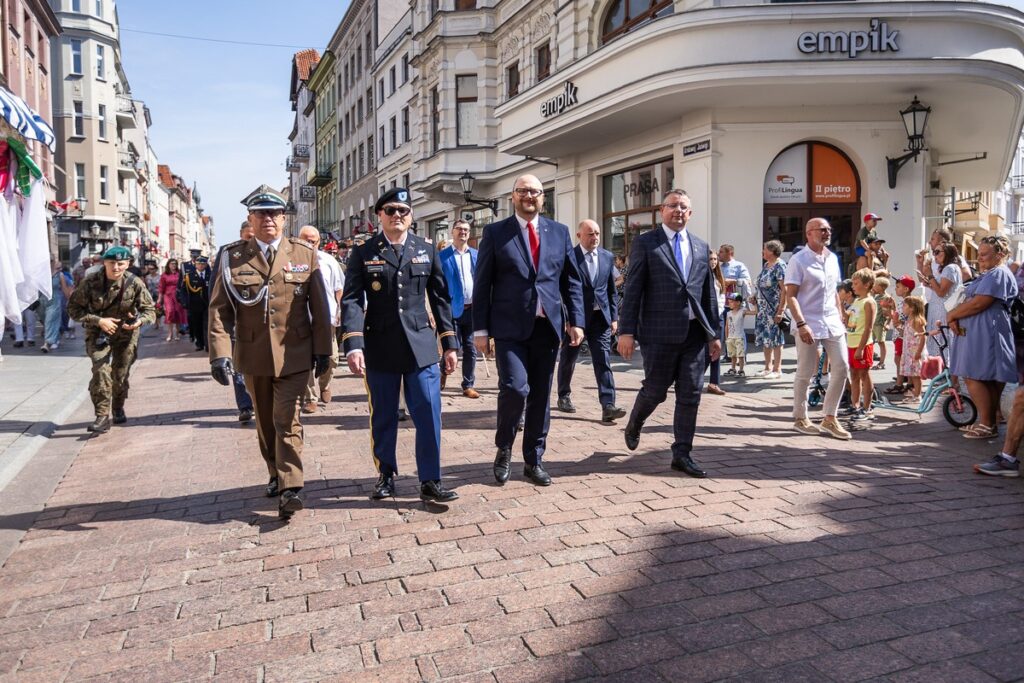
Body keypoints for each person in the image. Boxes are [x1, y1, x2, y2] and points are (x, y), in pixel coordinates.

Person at [207, 188, 333, 521]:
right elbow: (220, 310)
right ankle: (275, 472)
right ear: (250, 218)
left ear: (284, 218)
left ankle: (291, 487)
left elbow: (320, 308)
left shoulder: (303, 253)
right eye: (261, 213)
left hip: (295, 353)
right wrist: (219, 354)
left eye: (275, 214)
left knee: (286, 419)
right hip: (254, 354)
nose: (269, 219)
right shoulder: (233, 257)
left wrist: (324, 350)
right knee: (265, 423)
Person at [342, 187, 460, 503]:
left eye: (403, 211)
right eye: (391, 210)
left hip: (420, 345)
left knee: (429, 412)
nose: (397, 215)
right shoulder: (364, 251)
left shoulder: (426, 249)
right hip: (380, 344)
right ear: (379, 215)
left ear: (411, 216)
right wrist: (354, 344)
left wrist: (449, 343)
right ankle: (385, 475)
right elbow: (352, 299)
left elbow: (440, 297)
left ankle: (431, 479)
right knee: (383, 414)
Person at [473, 175, 585, 487]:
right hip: (508, 328)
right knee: (515, 388)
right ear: (513, 196)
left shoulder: (559, 232)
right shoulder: (496, 233)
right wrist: (480, 329)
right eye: (522, 191)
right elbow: (482, 283)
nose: (529, 196)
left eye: (535, 191)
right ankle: (505, 447)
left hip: (546, 328)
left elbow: (571, 281)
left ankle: (534, 459)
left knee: (540, 395)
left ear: (542, 197)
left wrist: (576, 321)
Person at [617, 189, 721, 478]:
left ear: (691, 213)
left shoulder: (700, 246)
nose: (678, 211)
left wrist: (714, 334)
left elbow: (707, 294)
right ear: (661, 210)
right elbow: (633, 289)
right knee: (656, 390)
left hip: (694, 334)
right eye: (673, 205)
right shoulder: (646, 243)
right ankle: (635, 422)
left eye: (684, 207)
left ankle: (682, 454)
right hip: (658, 333)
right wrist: (626, 331)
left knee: (691, 394)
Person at [66, 246, 156, 433]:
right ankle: (102, 416)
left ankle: (118, 407)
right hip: (98, 333)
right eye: (112, 263)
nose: (116, 267)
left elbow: (149, 310)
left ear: (128, 264)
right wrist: (99, 321)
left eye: (120, 263)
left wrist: (139, 321)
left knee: (120, 375)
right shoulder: (90, 282)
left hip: (126, 334)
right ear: (104, 263)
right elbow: (73, 309)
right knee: (101, 371)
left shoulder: (134, 282)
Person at [786, 217, 852, 440]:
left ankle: (830, 417)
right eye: (822, 229)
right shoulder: (798, 260)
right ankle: (800, 417)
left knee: (841, 367)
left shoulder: (832, 258)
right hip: (808, 322)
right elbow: (791, 295)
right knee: (806, 371)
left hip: (831, 320)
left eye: (828, 229)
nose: (827, 233)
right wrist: (801, 323)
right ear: (809, 233)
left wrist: (841, 313)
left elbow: (833, 290)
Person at [947, 235, 1017, 443]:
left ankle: (986, 423)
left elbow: (980, 302)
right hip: (982, 329)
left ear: (1000, 255)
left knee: (974, 375)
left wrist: (953, 315)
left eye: (984, 254)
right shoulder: (994, 273)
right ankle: (988, 422)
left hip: (986, 329)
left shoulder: (999, 273)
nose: (979, 258)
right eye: (979, 254)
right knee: (983, 376)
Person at [556, 219, 626, 422]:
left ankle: (608, 404)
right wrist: (567, 319)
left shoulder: (607, 256)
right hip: (576, 319)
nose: (595, 237)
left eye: (597, 233)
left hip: (600, 319)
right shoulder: (569, 257)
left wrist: (614, 317)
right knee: (569, 358)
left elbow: (611, 290)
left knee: (603, 359)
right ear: (579, 236)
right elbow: (562, 291)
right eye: (590, 234)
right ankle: (564, 395)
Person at [211, 220, 256, 424]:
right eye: (248, 236)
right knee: (239, 366)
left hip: (263, 325)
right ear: (241, 234)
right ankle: (245, 406)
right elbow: (216, 290)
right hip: (238, 322)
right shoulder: (228, 253)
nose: (251, 240)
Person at [297, 225, 345, 414]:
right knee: (304, 361)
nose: (310, 244)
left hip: (327, 320)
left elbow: (339, 288)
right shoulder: (291, 261)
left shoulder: (329, 261)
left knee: (331, 358)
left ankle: (325, 384)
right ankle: (310, 398)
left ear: (319, 242)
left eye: (313, 241)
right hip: (301, 320)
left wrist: (340, 309)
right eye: (306, 240)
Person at [439, 219, 480, 398]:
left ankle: (468, 385)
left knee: (471, 348)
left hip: (472, 309)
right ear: (452, 232)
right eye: (459, 229)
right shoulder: (443, 256)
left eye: (466, 230)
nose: (463, 232)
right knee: (452, 346)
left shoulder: (476, 254)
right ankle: (443, 372)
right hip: (451, 309)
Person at [845, 268, 877, 423]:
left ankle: (867, 408)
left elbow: (868, 328)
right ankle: (855, 404)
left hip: (862, 344)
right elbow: (849, 321)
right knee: (854, 375)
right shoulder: (856, 301)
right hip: (851, 342)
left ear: (867, 284)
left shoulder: (869, 302)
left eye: (856, 283)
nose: (853, 286)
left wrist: (861, 348)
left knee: (864, 374)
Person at [753, 239, 787, 379]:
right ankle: (768, 367)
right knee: (765, 337)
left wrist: (781, 311)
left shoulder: (780, 266)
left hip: (773, 309)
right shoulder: (766, 265)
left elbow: (785, 290)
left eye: (765, 249)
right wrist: (755, 296)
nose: (763, 251)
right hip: (763, 309)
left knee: (776, 338)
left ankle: (777, 369)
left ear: (772, 251)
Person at [717, 244, 750, 361]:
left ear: (729, 253)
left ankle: (741, 355)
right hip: (722, 303)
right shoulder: (719, 266)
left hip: (736, 304)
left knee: (737, 330)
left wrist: (732, 281)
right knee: (726, 330)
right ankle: (729, 355)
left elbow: (747, 281)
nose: (719, 254)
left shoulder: (739, 266)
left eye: (721, 252)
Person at [704, 250, 727, 396]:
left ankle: (714, 382)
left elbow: (721, 297)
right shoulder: (702, 276)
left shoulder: (718, 276)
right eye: (710, 259)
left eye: (715, 259)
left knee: (717, 349)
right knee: (705, 351)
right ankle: (691, 378)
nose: (713, 262)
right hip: (706, 318)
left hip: (718, 316)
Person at [898, 295, 928, 404]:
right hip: (909, 352)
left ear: (912, 308)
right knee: (912, 374)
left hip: (915, 352)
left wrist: (919, 352)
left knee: (916, 375)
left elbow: (923, 336)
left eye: (905, 305)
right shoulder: (909, 320)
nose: (902, 307)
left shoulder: (916, 321)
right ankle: (915, 393)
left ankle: (918, 396)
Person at [41, 259, 72, 352]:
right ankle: (56, 336)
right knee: (46, 321)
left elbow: (65, 289)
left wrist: (69, 301)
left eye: (51, 260)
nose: (49, 262)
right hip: (42, 301)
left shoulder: (60, 275)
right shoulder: (41, 273)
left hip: (54, 300)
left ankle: (47, 343)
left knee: (49, 320)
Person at [181, 256, 211, 352]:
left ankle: (207, 344)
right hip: (194, 305)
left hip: (208, 304)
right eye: (199, 264)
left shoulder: (211, 275)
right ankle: (199, 343)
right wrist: (185, 302)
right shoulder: (189, 276)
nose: (201, 265)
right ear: (195, 265)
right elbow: (183, 291)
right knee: (197, 325)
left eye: (203, 264)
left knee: (207, 324)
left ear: (206, 265)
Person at [725, 293, 752, 377]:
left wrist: (753, 304)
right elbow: (727, 326)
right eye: (729, 301)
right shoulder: (728, 313)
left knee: (740, 355)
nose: (729, 303)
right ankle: (733, 369)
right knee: (732, 355)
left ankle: (741, 370)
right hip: (731, 338)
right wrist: (726, 337)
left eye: (731, 301)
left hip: (739, 337)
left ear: (738, 302)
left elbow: (755, 312)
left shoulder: (742, 311)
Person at [158, 259, 185, 342]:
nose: (174, 265)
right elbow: (161, 287)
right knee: (169, 312)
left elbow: (183, 284)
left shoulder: (179, 273)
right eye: (172, 264)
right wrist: (159, 298)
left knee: (177, 313)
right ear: (168, 265)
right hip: (168, 295)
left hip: (178, 296)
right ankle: (170, 333)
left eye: (175, 264)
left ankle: (177, 333)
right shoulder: (164, 275)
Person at [871, 276, 893, 370]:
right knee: (870, 342)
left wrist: (887, 323)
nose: (873, 287)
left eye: (875, 285)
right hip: (873, 324)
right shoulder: (876, 297)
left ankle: (882, 362)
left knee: (881, 342)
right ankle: (870, 360)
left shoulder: (886, 298)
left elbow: (890, 312)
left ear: (881, 287)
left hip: (880, 324)